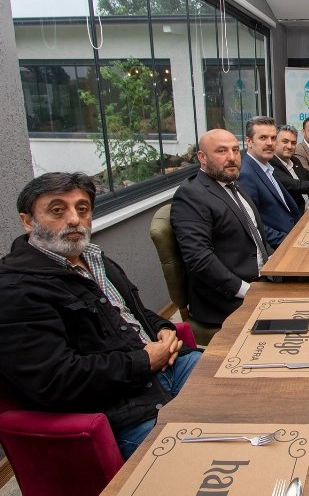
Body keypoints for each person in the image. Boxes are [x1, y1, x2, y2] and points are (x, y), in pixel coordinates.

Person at [0, 172, 201, 459]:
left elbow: (132, 312)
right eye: (57, 210)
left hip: (171, 367)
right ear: (28, 221)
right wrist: (144, 361)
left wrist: (163, 328)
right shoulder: (16, 290)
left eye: (82, 209)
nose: (74, 219)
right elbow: (55, 379)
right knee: (208, 458)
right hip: (127, 410)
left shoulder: (93, 257)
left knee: (257, 391)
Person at [171, 129, 273, 328]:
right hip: (227, 299)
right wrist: (248, 291)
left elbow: (257, 238)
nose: (232, 157)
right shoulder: (191, 195)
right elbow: (199, 259)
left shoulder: (231, 184)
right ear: (202, 157)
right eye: (222, 151)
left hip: (262, 277)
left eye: (235, 150)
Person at [237, 116, 301, 249]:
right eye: (263, 138)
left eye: (273, 138)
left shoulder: (266, 166)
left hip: (294, 234)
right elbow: (252, 224)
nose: (270, 143)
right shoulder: (245, 174)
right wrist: (289, 241)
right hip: (280, 246)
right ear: (249, 141)